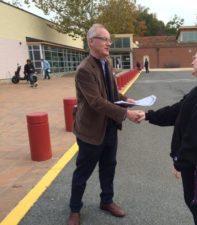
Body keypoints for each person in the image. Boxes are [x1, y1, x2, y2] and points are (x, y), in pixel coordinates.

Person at [138, 44, 197, 225]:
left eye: (196, 56)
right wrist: (148, 115)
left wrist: (181, 162)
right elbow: (180, 110)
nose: (192, 59)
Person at [67, 24, 143, 225]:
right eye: (104, 39)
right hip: (90, 130)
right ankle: (75, 210)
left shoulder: (106, 63)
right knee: (83, 171)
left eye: (110, 39)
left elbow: (111, 93)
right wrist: (126, 113)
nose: (109, 43)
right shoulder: (84, 69)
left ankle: (106, 201)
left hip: (109, 127)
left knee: (109, 166)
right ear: (91, 42)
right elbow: (96, 102)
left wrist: (127, 100)